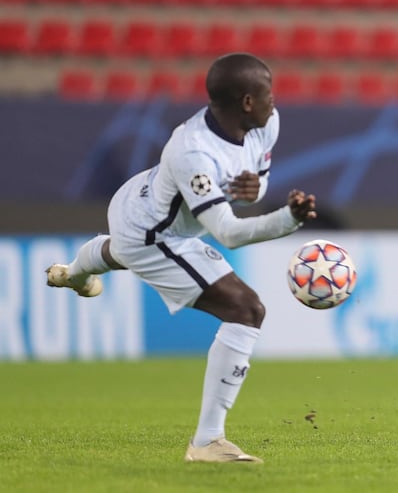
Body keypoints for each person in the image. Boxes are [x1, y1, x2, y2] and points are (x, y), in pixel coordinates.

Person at [46, 53, 317, 463]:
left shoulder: (265, 124)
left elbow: (253, 183)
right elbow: (228, 232)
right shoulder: (192, 150)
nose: (274, 100)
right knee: (246, 309)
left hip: (138, 205)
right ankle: (208, 442)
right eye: (267, 93)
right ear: (247, 101)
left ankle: (75, 273)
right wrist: (287, 220)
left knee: (119, 250)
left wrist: (254, 192)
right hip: (153, 234)